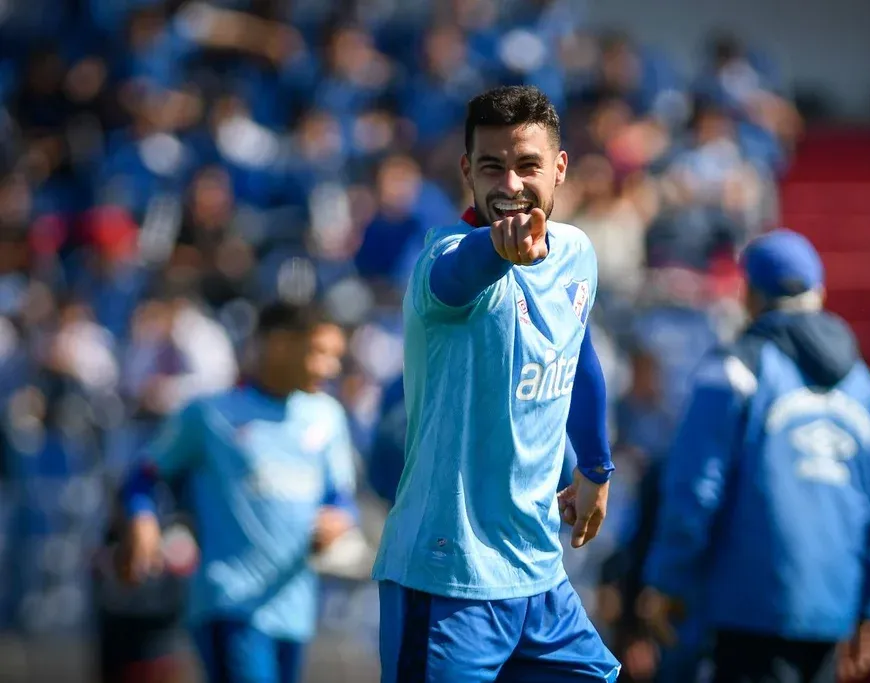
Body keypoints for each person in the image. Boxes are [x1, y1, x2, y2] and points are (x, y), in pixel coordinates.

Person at [372, 84, 621, 682]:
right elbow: (461, 274)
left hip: (541, 578)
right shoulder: (441, 261)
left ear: (560, 168)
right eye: (492, 167)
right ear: (467, 172)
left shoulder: (576, 253)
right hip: (447, 581)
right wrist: (496, 249)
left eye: (527, 165)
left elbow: (578, 352)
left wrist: (595, 468)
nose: (510, 184)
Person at [641, 229, 870, 683]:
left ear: (749, 296)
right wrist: (867, 609)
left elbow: (697, 489)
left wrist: (668, 579)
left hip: (746, 614)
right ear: (820, 293)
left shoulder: (734, 370)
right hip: (832, 612)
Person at [117, 301, 359, 683]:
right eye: (318, 352)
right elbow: (144, 475)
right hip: (230, 600)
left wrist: (340, 519)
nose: (329, 368)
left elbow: (341, 497)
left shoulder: (327, 416)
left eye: (335, 356)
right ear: (278, 344)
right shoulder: (209, 414)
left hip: (293, 605)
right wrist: (142, 519)